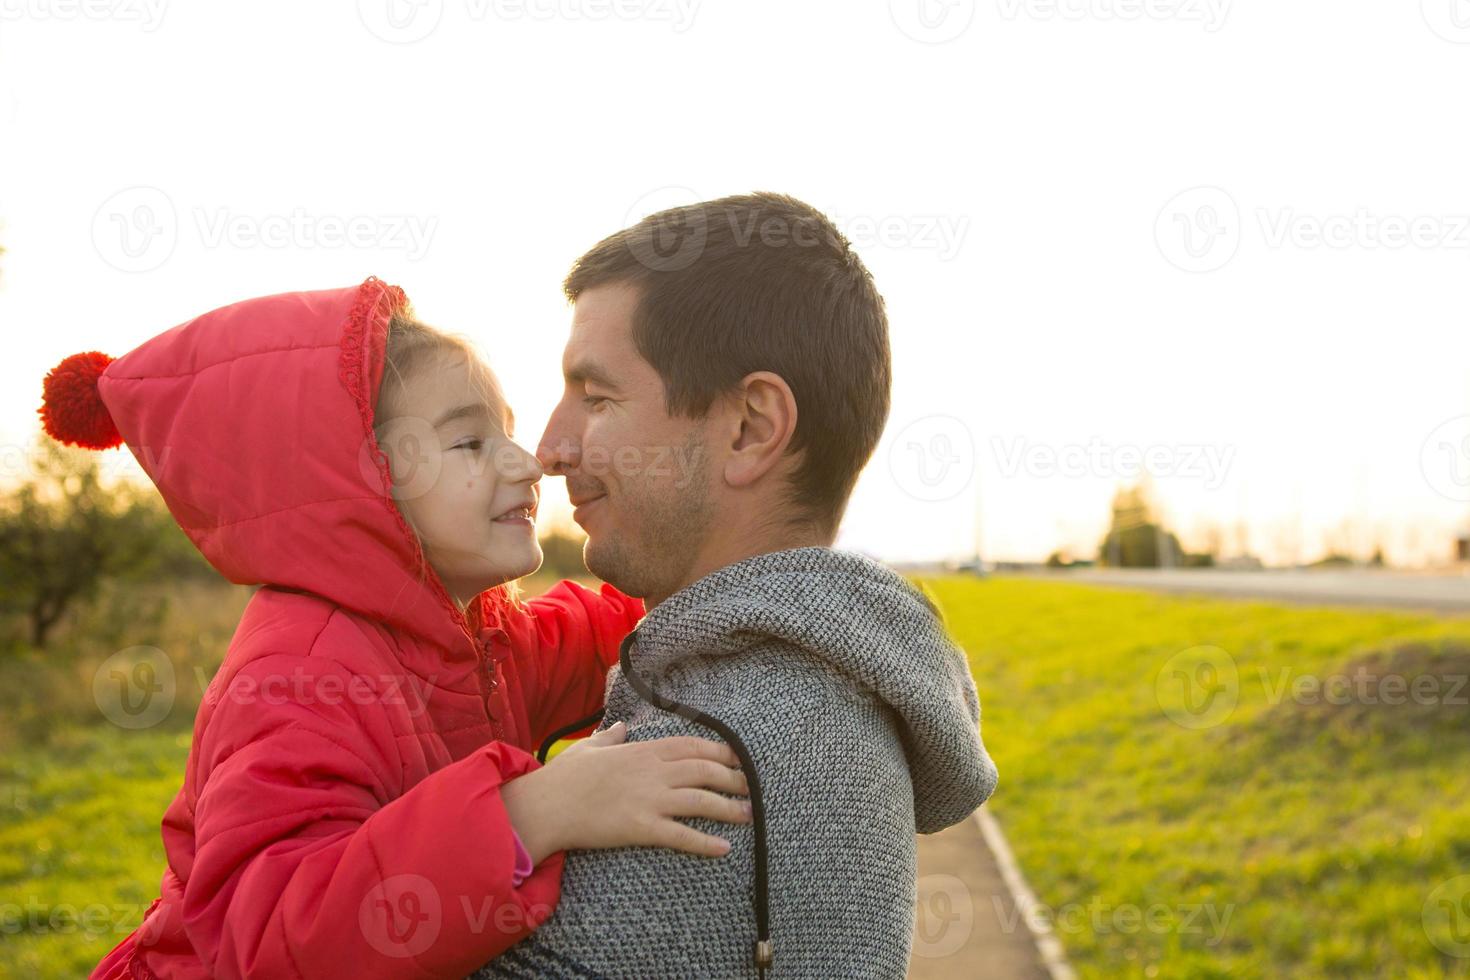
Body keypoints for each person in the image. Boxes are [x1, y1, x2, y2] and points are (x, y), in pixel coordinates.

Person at [40, 277, 751, 980]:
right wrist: (532, 812)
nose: (529, 463)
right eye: (470, 444)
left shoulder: (474, 637)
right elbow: (275, 941)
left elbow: (595, 634)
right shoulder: (297, 678)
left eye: (504, 430)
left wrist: (739, 583)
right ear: (362, 487)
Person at [477, 193, 998, 979]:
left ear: (751, 428)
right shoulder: (818, 683)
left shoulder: (715, 764)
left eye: (596, 396)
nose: (550, 448)